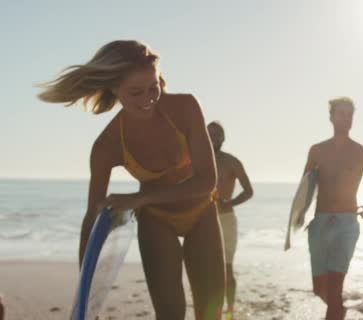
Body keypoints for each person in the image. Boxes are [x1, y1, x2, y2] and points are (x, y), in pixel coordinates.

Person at [38, 40, 224, 320]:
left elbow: (206, 181)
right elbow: (92, 217)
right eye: (135, 92)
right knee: (170, 314)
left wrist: (140, 198)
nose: (148, 99)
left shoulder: (185, 107)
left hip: (201, 212)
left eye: (153, 88)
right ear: (114, 89)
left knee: (211, 313)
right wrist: (86, 295)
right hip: (156, 221)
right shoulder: (108, 145)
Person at [303, 97, 363, 319]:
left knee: (334, 287)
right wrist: (300, 216)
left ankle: (336, 310)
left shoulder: (362, 152)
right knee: (320, 289)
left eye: (349, 114)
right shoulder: (317, 151)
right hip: (320, 222)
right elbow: (305, 187)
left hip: (346, 224)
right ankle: (339, 310)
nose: (345, 118)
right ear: (331, 117)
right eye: (341, 113)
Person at [207, 121, 253, 319]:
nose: (213, 138)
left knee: (226, 268)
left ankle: (231, 311)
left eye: (217, 135)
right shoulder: (196, 160)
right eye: (209, 134)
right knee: (207, 269)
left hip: (225, 219)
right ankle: (211, 310)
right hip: (202, 220)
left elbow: (249, 191)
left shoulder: (231, 162)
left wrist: (230, 202)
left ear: (223, 138)